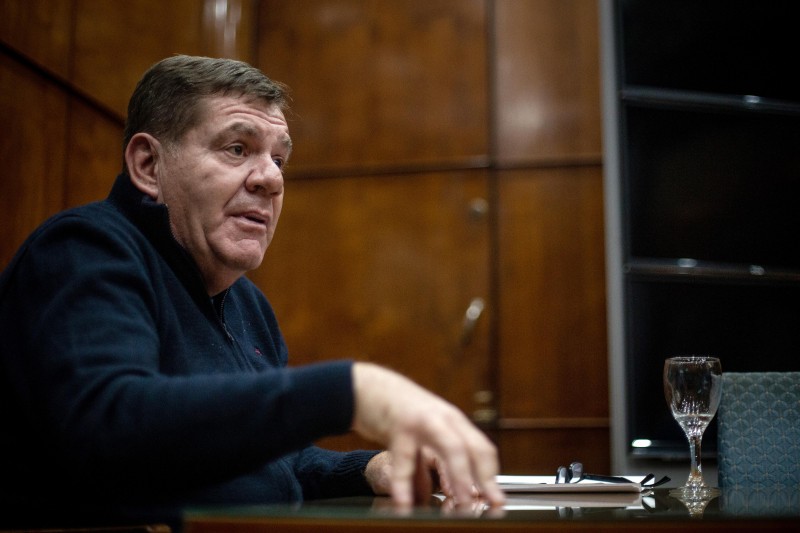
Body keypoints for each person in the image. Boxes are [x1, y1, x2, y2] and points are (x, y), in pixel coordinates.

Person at [0, 55, 504, 529]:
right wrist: (351, 391)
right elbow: (112, 427)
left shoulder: (247, 302)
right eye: (237, 149)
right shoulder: (82, 250)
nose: (271, 179)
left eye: (279, 159)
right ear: (148, 165)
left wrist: (369, 467)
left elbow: (278, 464)